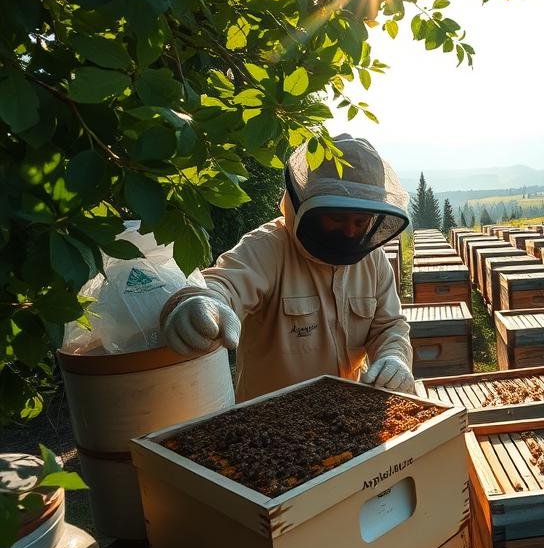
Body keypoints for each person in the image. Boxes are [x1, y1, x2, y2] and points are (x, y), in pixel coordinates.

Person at [159, 134, 414, 401]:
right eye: (337, 218)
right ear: (307, 204)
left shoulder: (373, 260)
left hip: (349, 419)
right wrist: (202, 302)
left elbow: (389, 326)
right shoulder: (266, 248)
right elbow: (223, 285)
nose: (350, 231)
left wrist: (394, 357)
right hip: (269, 428)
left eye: (361, 222)